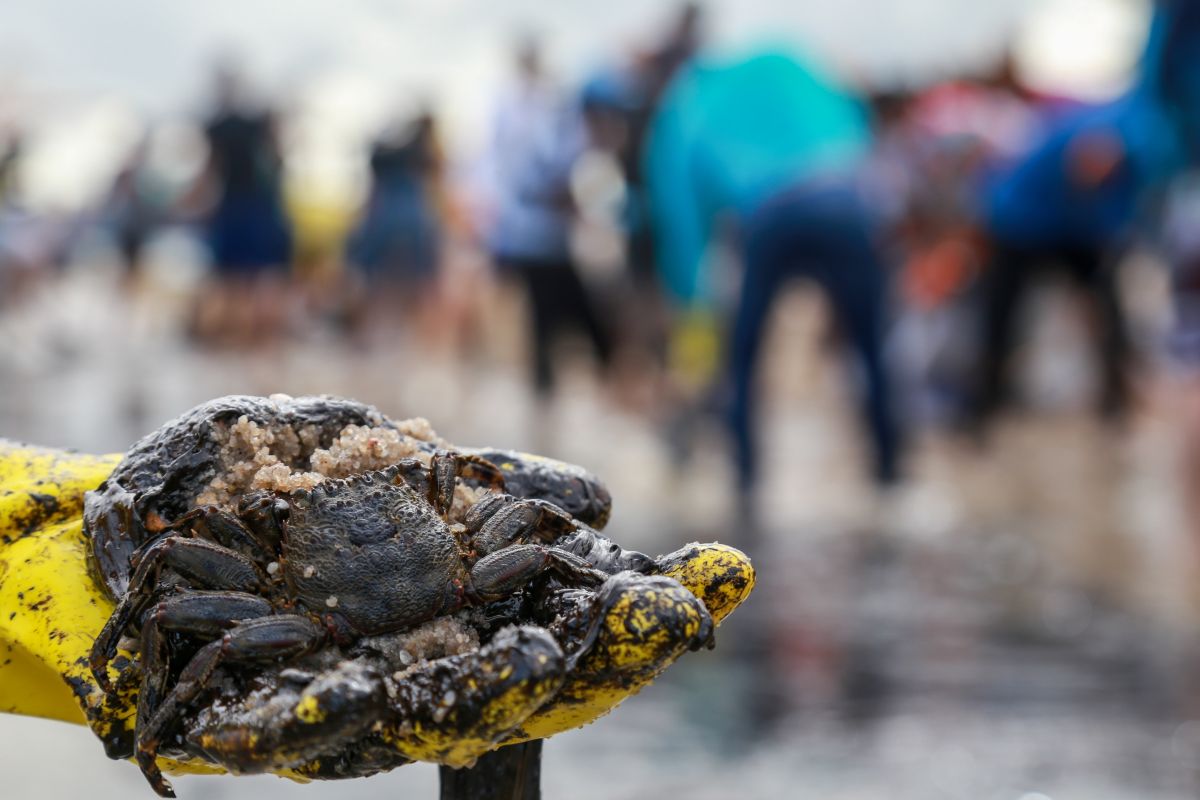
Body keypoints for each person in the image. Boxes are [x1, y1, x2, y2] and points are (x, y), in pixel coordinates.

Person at [646, 47, 902, 492]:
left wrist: (689, 295)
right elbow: (858, 130)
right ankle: (889, 473)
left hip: (770, 213)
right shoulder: (791, 62)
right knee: (871, 349)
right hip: (845, 203)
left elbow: (681, 213)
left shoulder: (688, 106)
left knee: (744, 357)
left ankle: (746, 478)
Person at [483, 39, 612, 402]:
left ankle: (548, 390)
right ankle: (551, 391)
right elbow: (538, 178)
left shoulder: (521, 108)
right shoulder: (532, 112)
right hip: (538, 238)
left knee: (550, 319)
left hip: (531, 236)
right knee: (563, 318)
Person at [188, 63, 292, 346]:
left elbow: (210, 170)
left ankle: (236, 340)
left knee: (231, 280)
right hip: (259, 207)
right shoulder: (259, 122)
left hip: (234, 206)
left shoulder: (219, 126)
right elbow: (279, 159)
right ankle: (257, 342)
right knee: (259, 279)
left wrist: (191, 204)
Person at [345, 108, 444, 342]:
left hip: (384, 215)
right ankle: (405, 335)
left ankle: (378, 333)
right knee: (415, 281)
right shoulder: (420, 154)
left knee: (377, 280)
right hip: (410, 218)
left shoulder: (388, 153)